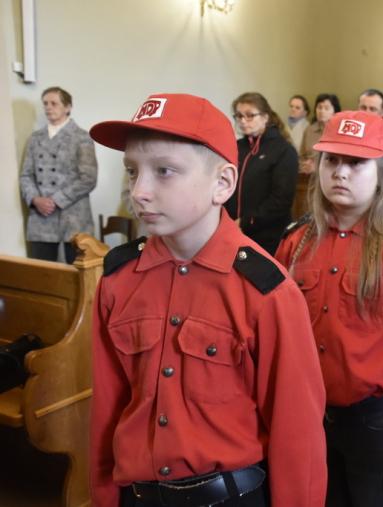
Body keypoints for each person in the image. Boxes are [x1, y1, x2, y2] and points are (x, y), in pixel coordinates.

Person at [88, 93, 327, 507]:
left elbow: (297, 433)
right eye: (132, 171)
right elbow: (107, 410)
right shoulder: (118, 280)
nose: (139, 191)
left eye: (164, 171)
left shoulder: (266, 291)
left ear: (223, 184)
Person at [275, 110, 383, 506]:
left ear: (381, 172)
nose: (340, 172)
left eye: (355, 162)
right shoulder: (295, 242)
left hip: (373, 422)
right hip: (307, 415)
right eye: (331, 160)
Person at [19, 86, 98, 263]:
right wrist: (35, 200)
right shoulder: (35, 138)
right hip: (41, 219)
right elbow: (26, 175)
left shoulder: (82, 137)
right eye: (45, 103)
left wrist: (55, 200)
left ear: (68, 107)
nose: (48, 107)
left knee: (77, 273)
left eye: (54, 103)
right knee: (40, 273)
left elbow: (89, 178)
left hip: (74, 217)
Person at [224, 92, 299, 255]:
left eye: (250, 115)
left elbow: (281, 200)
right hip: (232, 230)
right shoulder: (236, 146)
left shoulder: (283, 150)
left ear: (265, 117)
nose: (243, 121)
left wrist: (244, 222)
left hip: (268, 236)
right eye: (239, 116)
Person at [300, 93, 341, 174]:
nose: (322, 111)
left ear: (334, 111)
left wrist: (318, 167)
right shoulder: (309, 130)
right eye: (319, 107)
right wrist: (305, 164)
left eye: (326, 108)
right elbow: (302, 155)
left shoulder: (340, 131)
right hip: (310, 177)